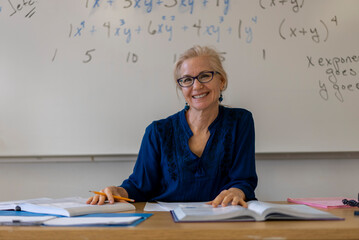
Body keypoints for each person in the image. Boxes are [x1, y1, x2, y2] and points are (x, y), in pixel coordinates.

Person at [87, 45, 257, 208]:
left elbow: (243, 180)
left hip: (224, 218)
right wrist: (117, 191)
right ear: (181, 88)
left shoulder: (240, 121)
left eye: (205, 76)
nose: (196, 86)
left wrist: (237, 191)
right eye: (187, 80)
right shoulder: (158, 132)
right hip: (168, 223)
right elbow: (139, 186)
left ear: (222, 81)